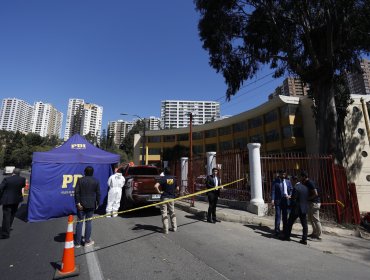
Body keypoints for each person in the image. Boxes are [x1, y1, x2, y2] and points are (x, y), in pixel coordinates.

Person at [74, 166, 101, 247]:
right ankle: (87, 241)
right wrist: (98, 203)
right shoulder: (96, 181)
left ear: (84, 172)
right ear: (92, 173)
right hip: (91, 204)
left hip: (81, 204)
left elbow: (76, 192)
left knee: (79, 222)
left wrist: (78, 203)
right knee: (88, 222)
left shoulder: (80, 180)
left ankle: (77, 243)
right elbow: (98, 193)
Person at [283, 175, 309, 245]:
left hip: (296, 209)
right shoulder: (305, 188)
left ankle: (287, 236)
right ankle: (304, 239)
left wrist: (290, 203)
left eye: (291, 181)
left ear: (294, 180)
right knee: (304, 225)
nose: (291, 182)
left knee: (290, 222)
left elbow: (294, 200)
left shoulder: (296, 188)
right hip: (303, 208)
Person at [0, 168, 26, 239]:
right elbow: (23, 186)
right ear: (19, 173)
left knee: (6, 216)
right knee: (12, 214)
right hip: (16, 200)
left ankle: (5, 233)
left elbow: (1, 188)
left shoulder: (7, 179)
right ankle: (8, 226)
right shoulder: (22, 179)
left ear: (13, 172)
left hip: (7, 200)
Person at [154, 167, 178, 234]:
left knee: (164, 213)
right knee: (172, 212)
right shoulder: (174, 179)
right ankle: (174, 228)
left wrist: (159, 192)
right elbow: (177, 188)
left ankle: (165, 230)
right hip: (171, 198)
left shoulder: (163, 178)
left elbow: (156, 186)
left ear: (164, 172)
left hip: (164, 198)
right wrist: (173, 191)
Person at [301, 170, 322, 240]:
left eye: (301, 177)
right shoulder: (306, 182)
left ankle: (319, 235)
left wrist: (308, 198)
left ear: (304, 177)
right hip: (311, 203)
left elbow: (316, 193)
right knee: (310, 219)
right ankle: (314, 233)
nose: (300, 178)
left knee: (316, 219)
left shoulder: (310, 182)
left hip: (315, 203)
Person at [271, 170, 292, 236]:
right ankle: (277, 230)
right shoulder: (275, 182)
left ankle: (285, 230)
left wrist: (290, 195)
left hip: (286, 200)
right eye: (282, 174)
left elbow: (291, 189)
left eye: (284, 174)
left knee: (285, 216)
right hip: (278, 201)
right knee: (278, 215)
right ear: (279, 174)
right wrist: (272, 199)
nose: (283, 176)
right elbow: (273, 191)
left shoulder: (288, 181)